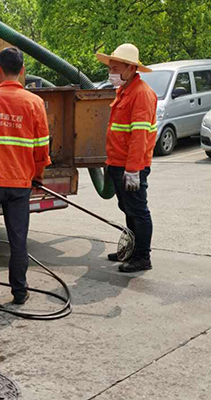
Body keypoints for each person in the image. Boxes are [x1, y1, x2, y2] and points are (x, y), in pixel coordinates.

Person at [0, 47, 51, 304]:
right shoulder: (34, 103)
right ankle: (20, 291)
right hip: (19, 184)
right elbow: (42, 148)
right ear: (23, 72)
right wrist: (37, 176)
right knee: (18, 237)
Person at [96, 44, 156, 273]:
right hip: (118, 163)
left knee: (138, 210)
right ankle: (132, 249)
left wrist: (133, 170)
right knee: (128, 208)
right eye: (110, 67)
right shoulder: (125, 90)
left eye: (115, 67)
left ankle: (143, 256)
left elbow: (139, 137)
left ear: (130, 68)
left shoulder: (141, 94)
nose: (110, 72)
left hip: (132, 166)